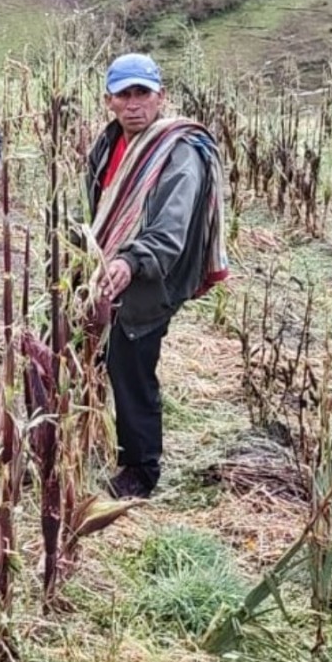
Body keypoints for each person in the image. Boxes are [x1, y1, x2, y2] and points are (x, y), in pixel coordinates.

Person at [86, 52, 227, 498]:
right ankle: (91, 437)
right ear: (109, 100)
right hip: (104, 272)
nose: (133, 104)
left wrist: (130, 261)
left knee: (132, 370)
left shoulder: (178, 152)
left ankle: (140, 471)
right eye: (123, 94)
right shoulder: (108, 144)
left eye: (142, 93)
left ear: (161, 97)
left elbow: (171, 229)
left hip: (150, 280)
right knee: (96, 357)